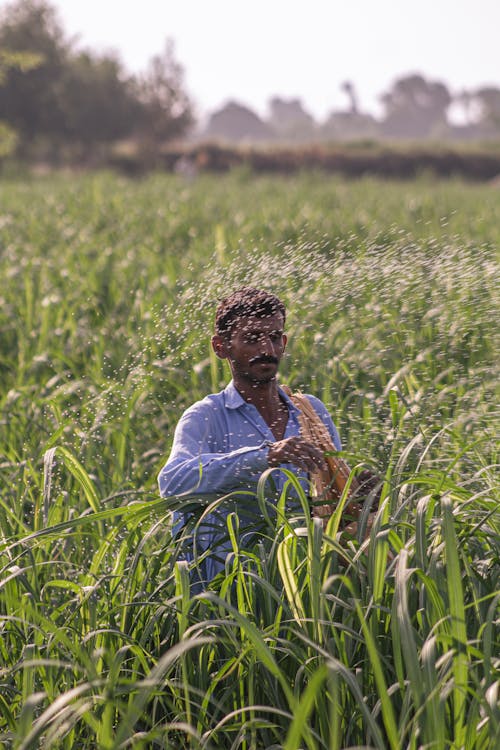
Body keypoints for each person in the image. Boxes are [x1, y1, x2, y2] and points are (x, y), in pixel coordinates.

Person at [158, 287, 343, 583]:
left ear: (283, 343)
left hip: (302, 584)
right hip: (229, 586)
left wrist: (361, 491)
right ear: (221, 347)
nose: (266, 350)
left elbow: (332, 493)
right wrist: (265, 457)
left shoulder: (310, 412)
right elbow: (173, 482)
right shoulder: (206, 416)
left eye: (273, 338)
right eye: (251, 339)